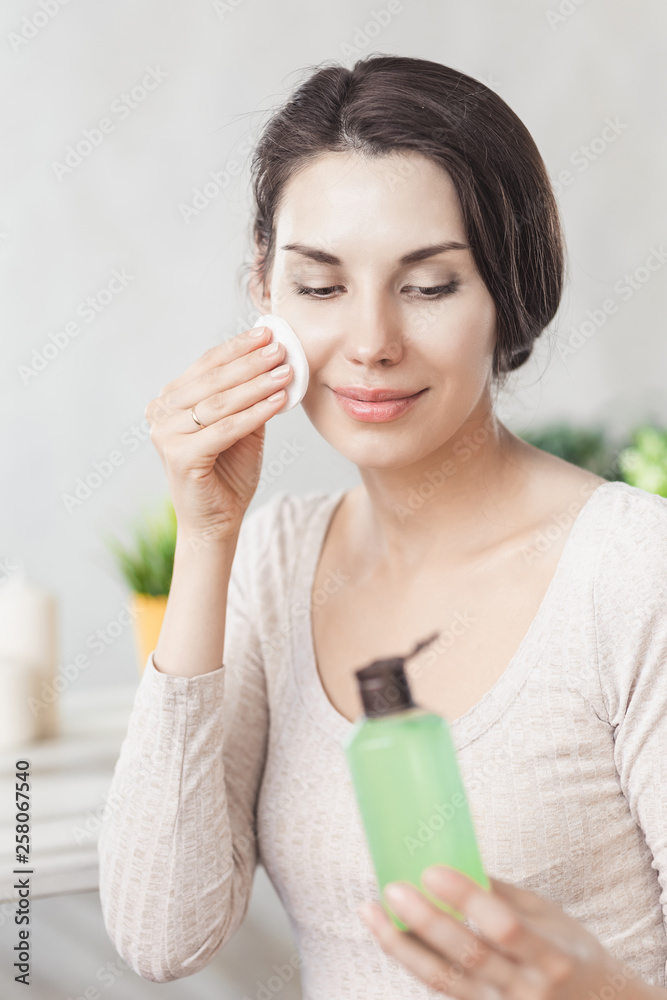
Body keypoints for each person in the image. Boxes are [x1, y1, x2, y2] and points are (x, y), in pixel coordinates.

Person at [97, 54, 667, 998]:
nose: (370, 343)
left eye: (430, 286)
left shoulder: (633, 571)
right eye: (320, 287)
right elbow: (162, 934)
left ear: (508, 292)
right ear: (264, 291)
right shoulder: (274, 560)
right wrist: (205, 539)